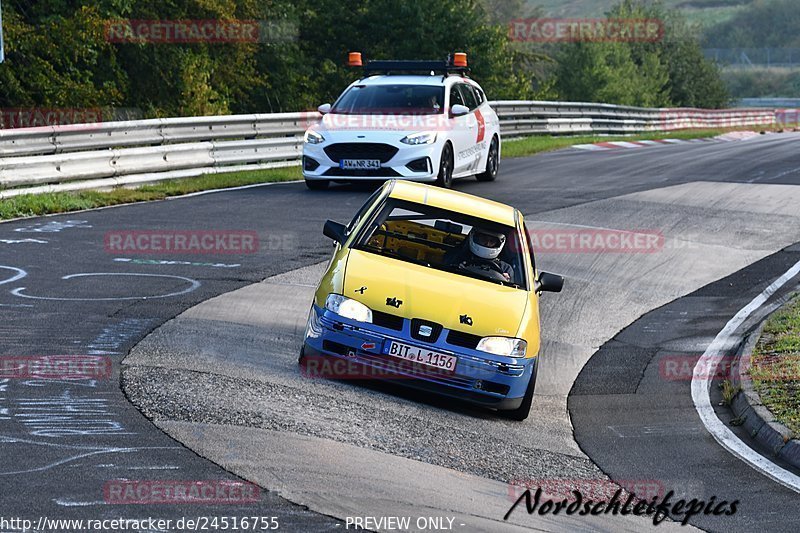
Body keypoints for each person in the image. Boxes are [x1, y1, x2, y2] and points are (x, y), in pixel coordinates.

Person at [444, 227, 514, 283]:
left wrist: (506, 281)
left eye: (492, 241)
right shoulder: (457, 257)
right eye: (484, 239)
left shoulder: (505, 268)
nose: (487, 244)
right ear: (475, 238)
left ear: (498, 243)